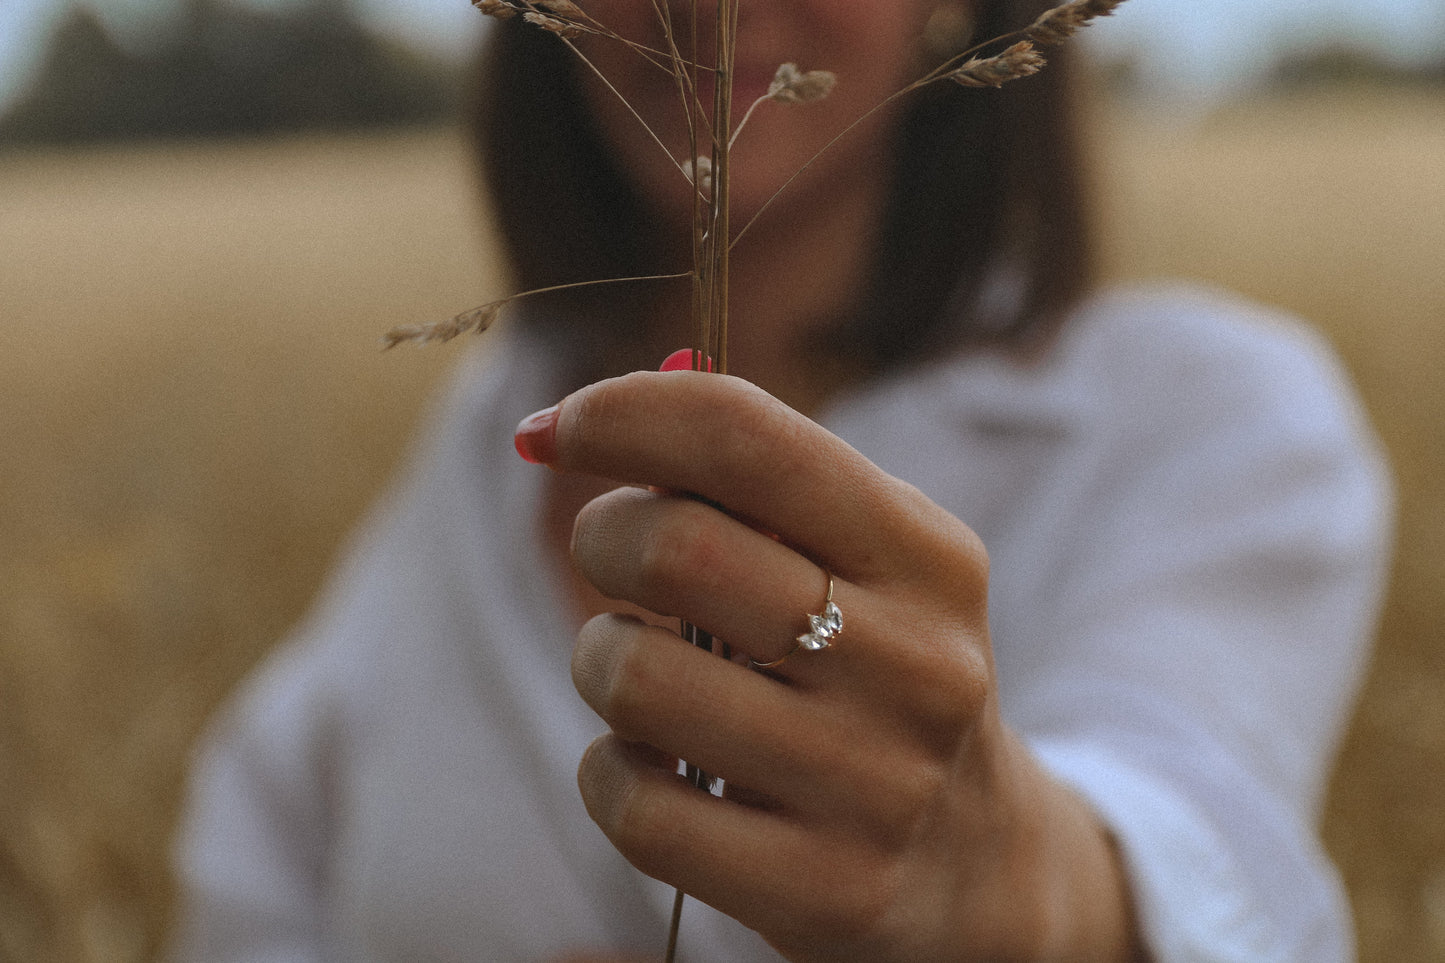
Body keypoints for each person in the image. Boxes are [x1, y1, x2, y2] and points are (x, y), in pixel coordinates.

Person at [168, 0, 1393, 960]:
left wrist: (1003, 869)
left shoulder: (1206, 414)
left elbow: (1194, 834)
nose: (715, 3)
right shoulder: (493, 413)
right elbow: (253, 867)